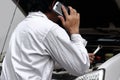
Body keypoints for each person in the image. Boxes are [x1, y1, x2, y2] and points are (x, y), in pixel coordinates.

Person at [0, 0, 92, 80]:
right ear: (54, 4)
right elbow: (81, 67)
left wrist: (72, 56)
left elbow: (36, 60)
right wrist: (74, 31)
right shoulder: (50, 29)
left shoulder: (22, 26)